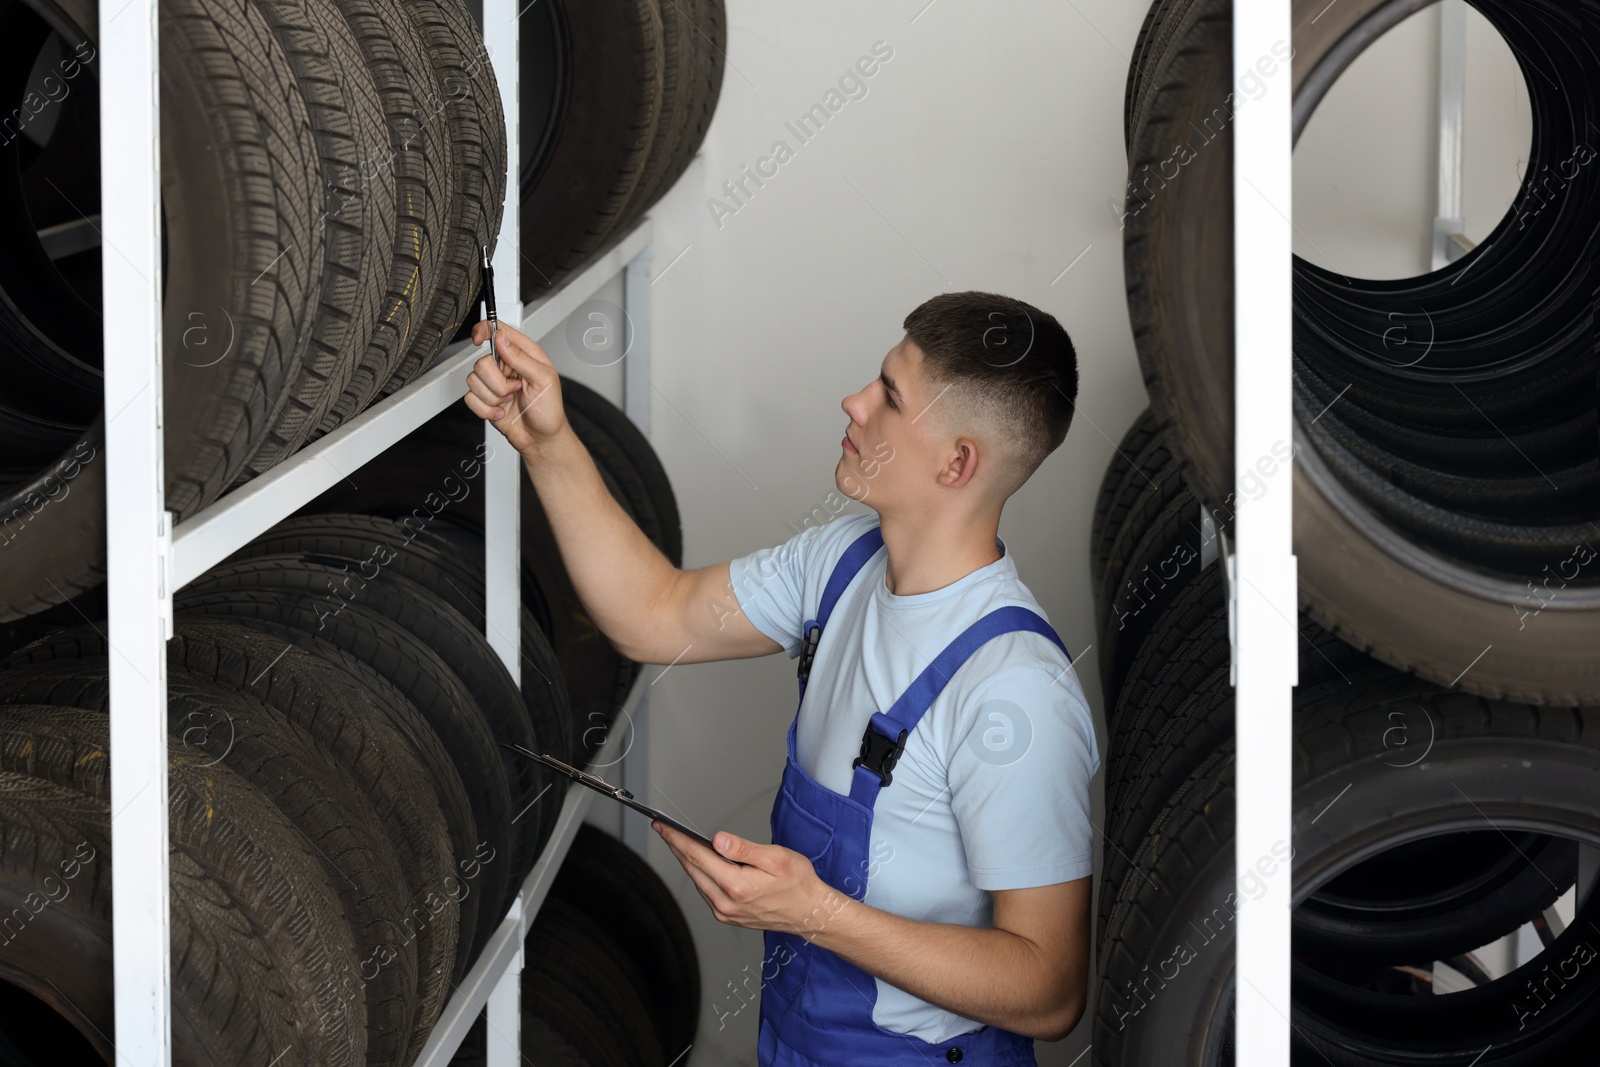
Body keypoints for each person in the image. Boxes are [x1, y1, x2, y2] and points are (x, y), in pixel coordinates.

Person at [462, 290, 1098, 1066]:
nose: (854, 402)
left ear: (958, 461)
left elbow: (1051, 988)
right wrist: (547, 441)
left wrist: (816, 913)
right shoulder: (841, 562)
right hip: (796, 1042)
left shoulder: (1014, 689)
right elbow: (654, 612)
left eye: (889, 398)